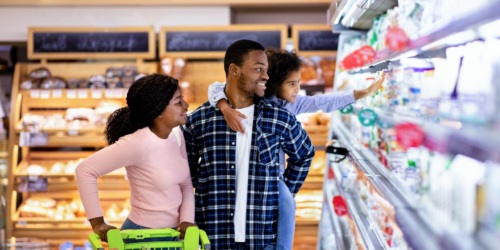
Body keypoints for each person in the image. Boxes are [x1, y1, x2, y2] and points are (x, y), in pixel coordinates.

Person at [207, 48, 385, 249]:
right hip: (243, 172)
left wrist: (359, 94)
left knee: (286, 204)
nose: (297, 89)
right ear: (273, 83)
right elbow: (215, 87)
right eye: (292, 84)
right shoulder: (251, 98)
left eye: (298, 83)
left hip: (274, 176)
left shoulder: (291, 105)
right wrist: (223, 106)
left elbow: (322, 102)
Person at [181, 40, 315, 249]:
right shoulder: (200, 120)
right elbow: (185, 171)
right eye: (258, 69)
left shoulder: (278, 118)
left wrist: (281, 193)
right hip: (214, 237)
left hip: (263, 238)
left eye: (266, 70)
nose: (265, 76)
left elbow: (304, 154)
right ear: (234, 70)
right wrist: (206, 188)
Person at [75, 73, 195, 242]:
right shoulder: (137, 143)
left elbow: (186, 185)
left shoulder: (176, 136)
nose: (186, 105)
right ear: (158, 111)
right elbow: (85, 170)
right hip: (143, 237)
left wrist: (187, 221)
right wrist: (98, 223)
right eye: (178, 102)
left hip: (173, 237)